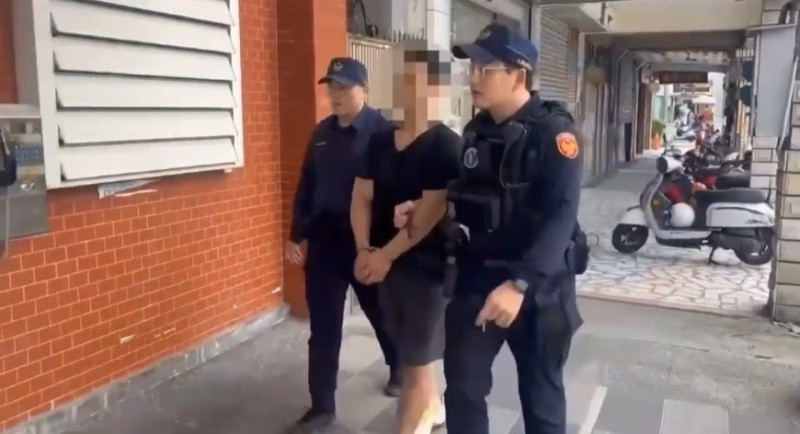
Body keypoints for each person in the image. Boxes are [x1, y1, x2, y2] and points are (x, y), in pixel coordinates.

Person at [412, 23, 587, 434]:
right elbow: (468, 196)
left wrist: (520, 284)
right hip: (479, 279)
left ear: (517, 75)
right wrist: (422, 210)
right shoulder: (476, 131)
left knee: (541, 399)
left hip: (540, 287)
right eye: (471, 67)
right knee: (463, 388)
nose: (473, 77)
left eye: (485, 69)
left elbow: (562, 215)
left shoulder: (554, 134)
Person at [350, 41, 460, 434]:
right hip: (387, 265)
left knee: (414, 361)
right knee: (410, 355)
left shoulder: (445, 145)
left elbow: (429, 213)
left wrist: (385, 256)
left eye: (414, 81)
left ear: (436, 87)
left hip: (427, 270)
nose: (405, 90)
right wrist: (364, 249)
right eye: (401, 80)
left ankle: (411, 424)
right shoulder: (380, 139)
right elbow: (361, 196)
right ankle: (434, 408)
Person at [286, 57, 400, 433]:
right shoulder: (321, 134)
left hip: (367, 240)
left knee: (381, 311)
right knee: (324, 325)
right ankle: (322, 406)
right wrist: (296, 234)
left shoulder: (384, 132)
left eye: (343, 87)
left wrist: (389, 246)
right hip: (325, 240)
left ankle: (399, 366)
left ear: (363, 89)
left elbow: (398, 188)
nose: (335, 95)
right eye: (331, 87)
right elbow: (306, 187)